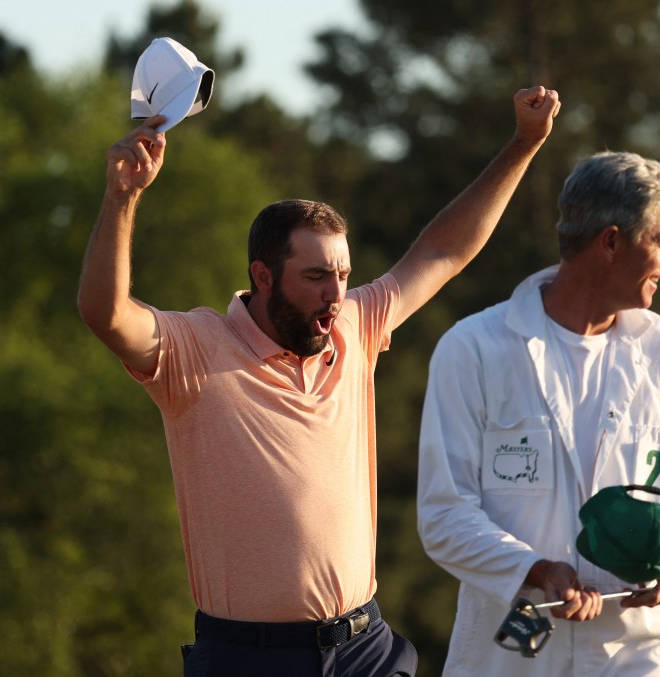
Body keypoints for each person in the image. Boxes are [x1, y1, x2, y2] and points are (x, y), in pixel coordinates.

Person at [77, 86, 561, 676]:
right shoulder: (193, 349)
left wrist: (522, 144)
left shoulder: (354, 327)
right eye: (315, 278)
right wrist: (122, 196)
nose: (336, 295)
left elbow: (443, 251)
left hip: (367, 649)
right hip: (246, 658)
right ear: (263, 275)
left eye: (343, 275)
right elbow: (105, 313)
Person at [416, 151, 660, 676]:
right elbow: (444, 515)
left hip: (637, 655)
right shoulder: (475, 349)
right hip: (509, 657)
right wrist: (537, 570)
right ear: (611, 242)